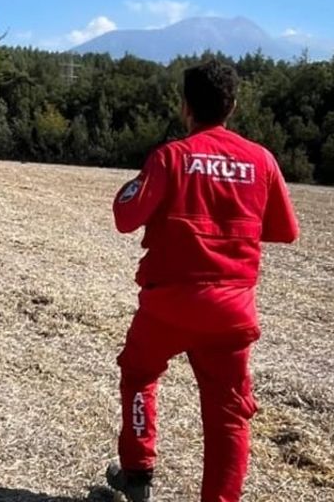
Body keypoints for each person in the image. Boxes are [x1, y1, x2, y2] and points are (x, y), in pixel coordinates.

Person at [106, 60, 299, 502]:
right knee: (229, 416)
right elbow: (285, 230)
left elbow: (124, 216)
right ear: (233, 104)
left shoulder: (170, 156)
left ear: (185, 105)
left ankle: (137, 473)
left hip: (168, 305)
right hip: (232, 313)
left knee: (139, 374)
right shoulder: (261, 159)